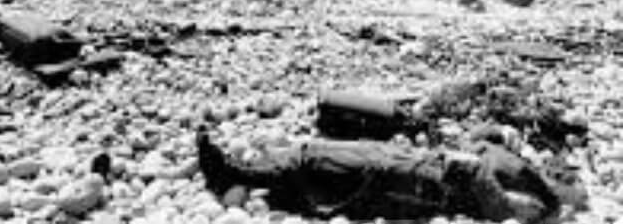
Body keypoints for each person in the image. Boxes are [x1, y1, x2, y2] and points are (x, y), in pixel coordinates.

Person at [197, 127, 562, 222]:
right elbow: (481, 156)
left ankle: (232, 173)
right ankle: (240, 171)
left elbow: (479, 173)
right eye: (528, 203)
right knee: (317, 153)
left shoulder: (494, 205)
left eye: (529, 211)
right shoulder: (491, 192)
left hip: (396, 176)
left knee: (319, 163)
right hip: (401, 164)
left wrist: (538, 204)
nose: (525, 205)